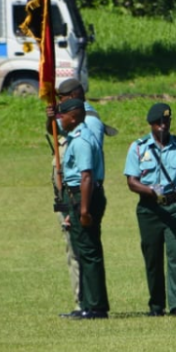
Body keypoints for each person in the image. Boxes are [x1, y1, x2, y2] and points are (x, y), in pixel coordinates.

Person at [46, 77, 115, 314]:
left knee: (88, 252)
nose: (60, 119)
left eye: (63, 114)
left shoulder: (84, 137)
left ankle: (93, 306)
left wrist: (83, 209)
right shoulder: (76, 133)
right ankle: (89, 304)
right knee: (83, 250)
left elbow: (87, 175)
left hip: (83, 196)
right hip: (76, 196)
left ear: (73, 116)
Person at [124, 103, 176, 317]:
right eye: (159, 122)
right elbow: (131, 181)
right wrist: (152, 191)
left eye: (166, 121)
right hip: (150, 208)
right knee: (153, 258)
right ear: (151, 124)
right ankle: (156, 305)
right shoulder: (139, 147)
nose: (163, 126)